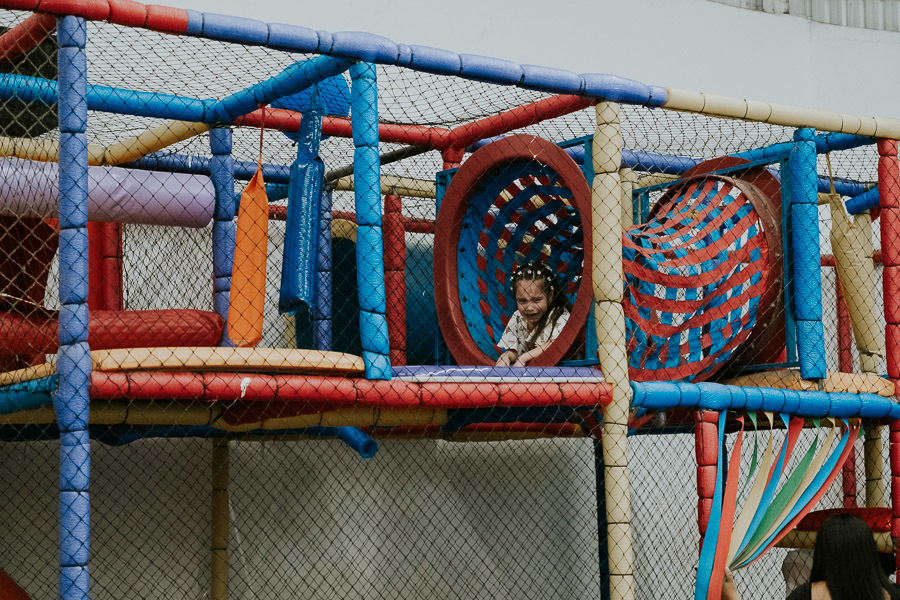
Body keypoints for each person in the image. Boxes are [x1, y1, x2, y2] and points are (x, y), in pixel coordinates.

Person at [721, 514, 900, 600]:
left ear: (823, 554)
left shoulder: (805, 595)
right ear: (869, 552)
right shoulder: (893, 593)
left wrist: (732, 596)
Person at [495, 261, 571, 367]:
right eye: (522, 301)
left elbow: (555, 344)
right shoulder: (518, 317)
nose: (529, 308)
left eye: (536, 300)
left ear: (550, 296)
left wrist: (524, 358)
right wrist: (506, 356)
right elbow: (515, 350)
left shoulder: (560, 316)